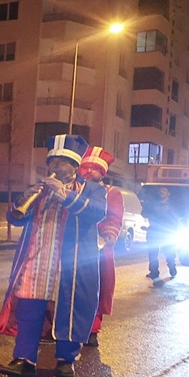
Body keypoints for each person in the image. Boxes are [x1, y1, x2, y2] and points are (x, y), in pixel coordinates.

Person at [0, 134, 106, 377]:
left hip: (71, 262)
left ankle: (66, 359)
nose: (54, 167)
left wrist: (64, 194)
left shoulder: (93, 189)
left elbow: (97, 213)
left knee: (69, 308)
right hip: (38, 257)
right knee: (29, 307)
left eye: (61, 162)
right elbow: (14, 218)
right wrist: (24, 199)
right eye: (52, 161)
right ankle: (24, 360)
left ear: (75, 167)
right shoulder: (40, 188)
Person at [79, 148, 120, 348]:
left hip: (98, 249)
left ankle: (92, 329)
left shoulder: (112, 193)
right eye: (85, 167)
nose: (88, 172)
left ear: (102, 172)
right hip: (74, 246)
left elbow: (114, 219)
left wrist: (108, 236)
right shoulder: (74, 189)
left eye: (94, 168)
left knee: (97, 287)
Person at [142, 186, 181, 280]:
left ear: (168, 193)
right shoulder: (152, 204)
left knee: (169, 252)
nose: (161, 192)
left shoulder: (173, 205)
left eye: (164, 190)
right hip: (154, 231)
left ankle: (172, 267)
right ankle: (154, 272)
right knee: (152, 253)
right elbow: (144, 213)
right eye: (160, 190)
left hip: (167, 232)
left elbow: (178, 216)